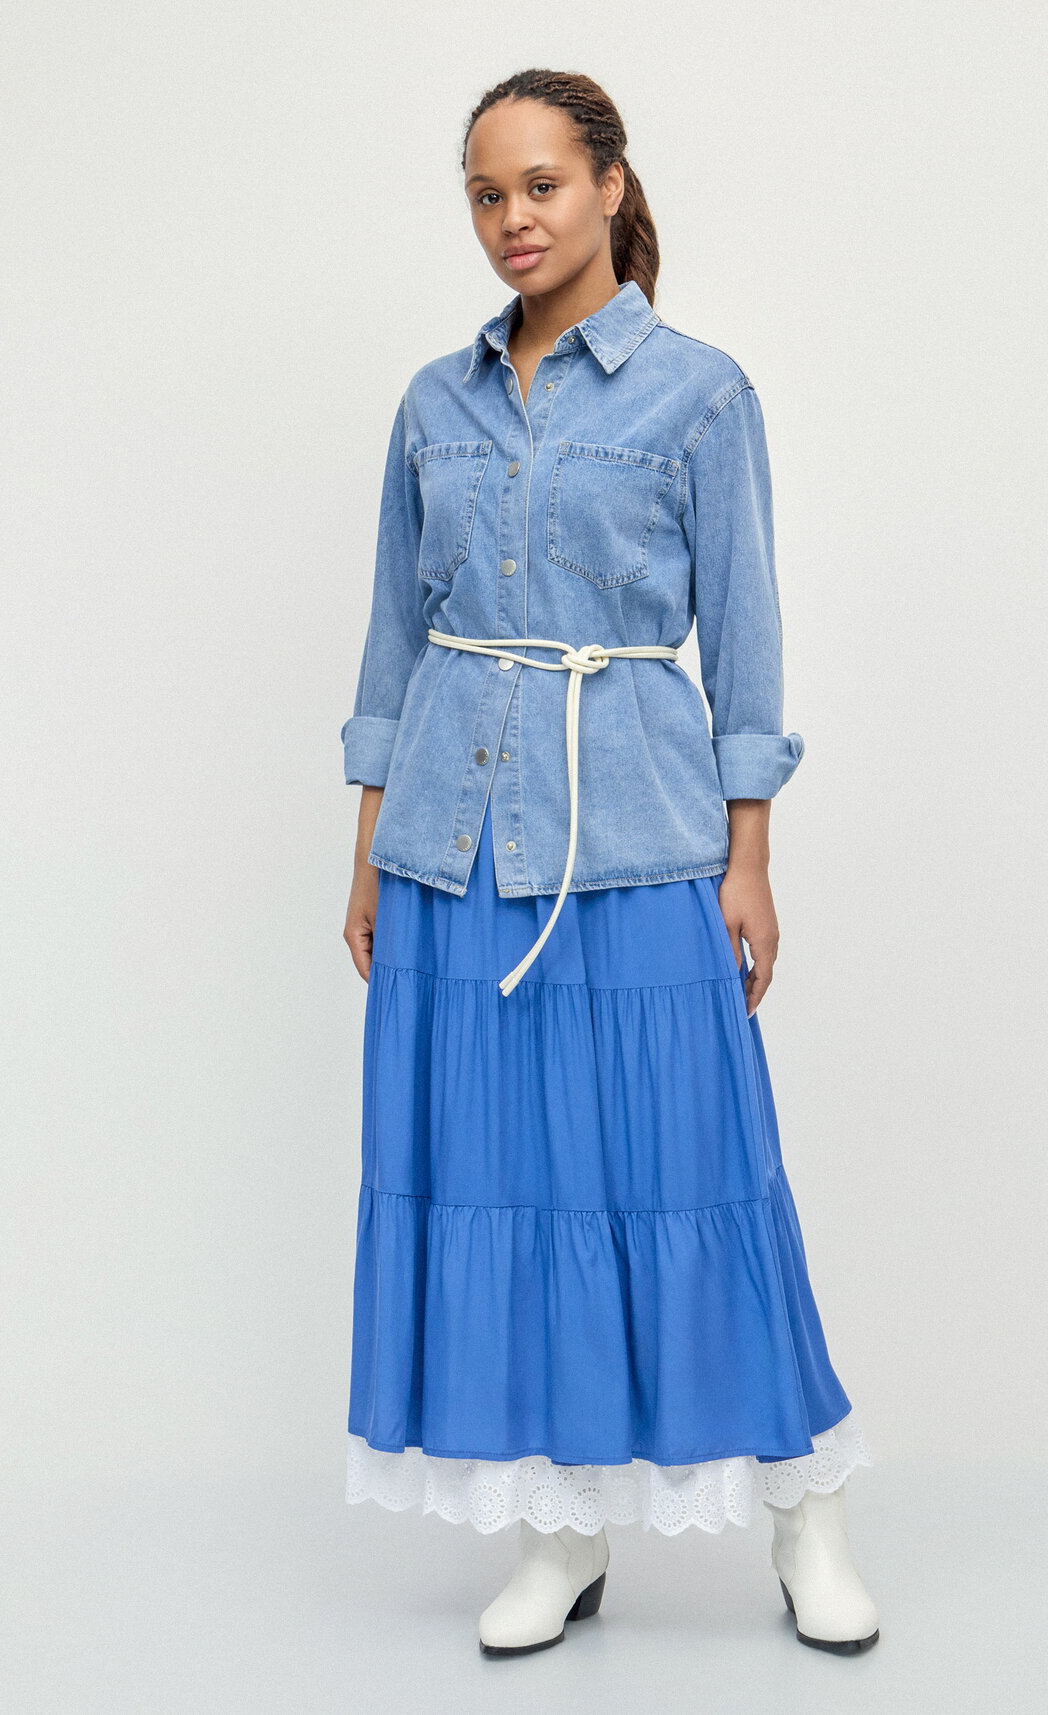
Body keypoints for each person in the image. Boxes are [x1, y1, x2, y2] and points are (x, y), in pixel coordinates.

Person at [339, 67, 880, 1659]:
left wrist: (750, 857)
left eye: (541, 185)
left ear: (609, 185)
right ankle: (560, 1530)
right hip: (449, 849)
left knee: (697, 1173)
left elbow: (747, 645)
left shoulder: (699, 397)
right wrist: (369, 851)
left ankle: (807, 1514)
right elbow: (391, 642)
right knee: (504, 1182)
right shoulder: (433, 403)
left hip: (639, 835)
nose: (513, 219)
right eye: (485, 194)